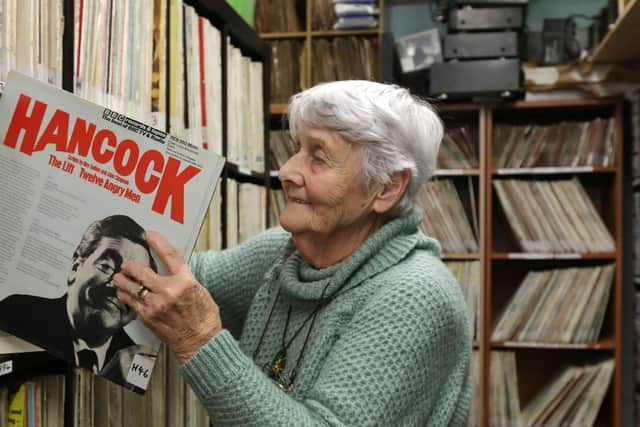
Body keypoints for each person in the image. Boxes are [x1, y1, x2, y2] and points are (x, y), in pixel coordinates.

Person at [115, 80, 471, 425]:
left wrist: (199, 340)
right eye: (297, 149)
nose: (286, 171)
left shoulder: (416, 296)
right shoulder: (284, 253)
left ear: (387, 188)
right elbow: (179, 278)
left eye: (318, 157)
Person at [0, 215, 157, 388]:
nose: (116, 285)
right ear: (76, 266)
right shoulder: (16, 312)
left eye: (133, 281)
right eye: (106, 266)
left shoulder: (136, 363)